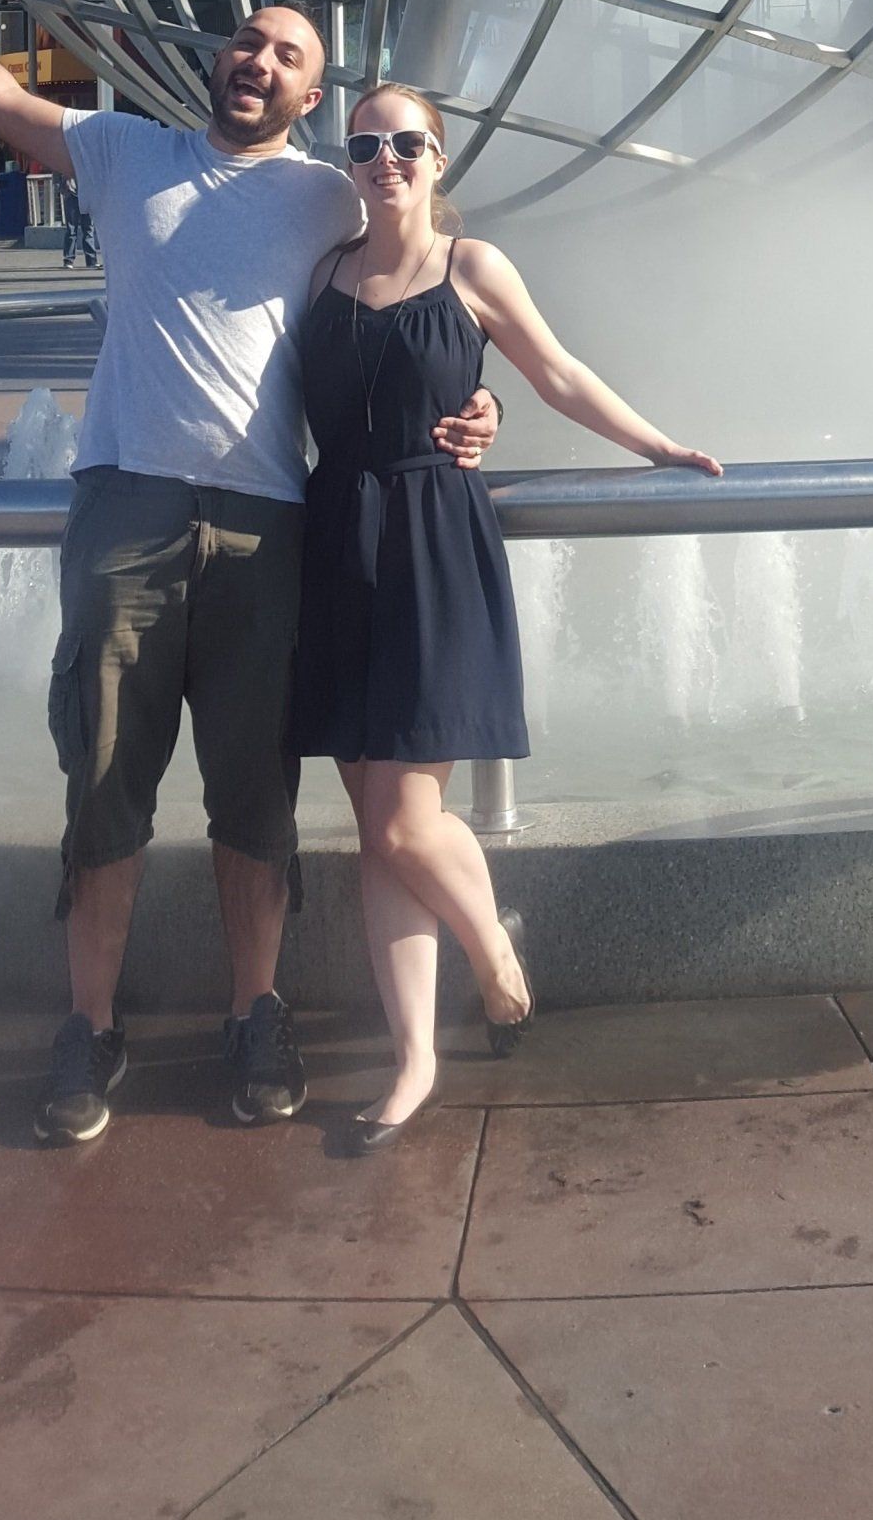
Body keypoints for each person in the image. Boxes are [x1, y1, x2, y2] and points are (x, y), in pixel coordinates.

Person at [0, 0, 503, 1152]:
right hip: (125, 508)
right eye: (248, 40)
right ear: (220, 59)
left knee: (256, 796)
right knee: (103, 779)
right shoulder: (128, 148)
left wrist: (479, 396)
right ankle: (90, 1024)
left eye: (290, 53)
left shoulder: (327, 191)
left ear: (313, 94)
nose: (260, 59)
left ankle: (260, 1010)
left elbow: (436, 275)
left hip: (264, 528)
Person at [296, 84, 720, 1148]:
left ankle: (493, 954)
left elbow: (557, 369)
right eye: (365, 143)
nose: (384, 158)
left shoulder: (471, 267)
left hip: (433, 544)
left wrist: (656, 443)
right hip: (336, 546)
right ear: (348, 160)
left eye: (405, 142)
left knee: (404, 820)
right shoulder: (322, 272)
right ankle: (414, 1061)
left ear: (439, 158)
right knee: (378, 833)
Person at [60, 176, 100, 270]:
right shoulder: (69, 161)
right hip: (71, 193)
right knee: (71, 229)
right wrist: (62, 187)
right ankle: (68, 260)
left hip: (88, 194)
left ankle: (91, 261)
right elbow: (57, 170)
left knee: (88, 229)